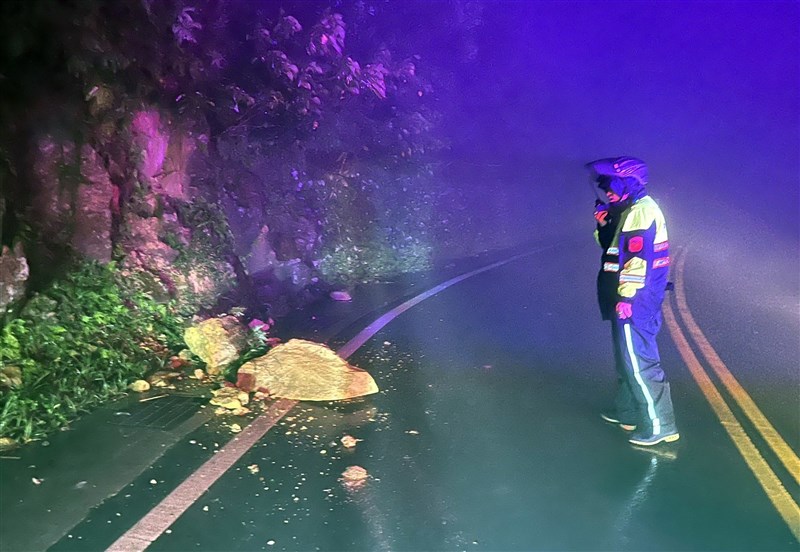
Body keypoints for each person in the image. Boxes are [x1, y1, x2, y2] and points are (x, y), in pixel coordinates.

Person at [586, 156, 679, 446]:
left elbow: (637, 259)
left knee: (640, 362)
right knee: (627, 358)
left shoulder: (641, 212)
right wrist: (604, 224)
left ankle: (660, 425)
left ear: (627, 182)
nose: (606, 192)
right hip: (628, 297)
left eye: (611, 185)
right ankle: (626, 412)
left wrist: (626, 296)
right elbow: (614, 249)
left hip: (634, 299)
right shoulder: (630, 211)